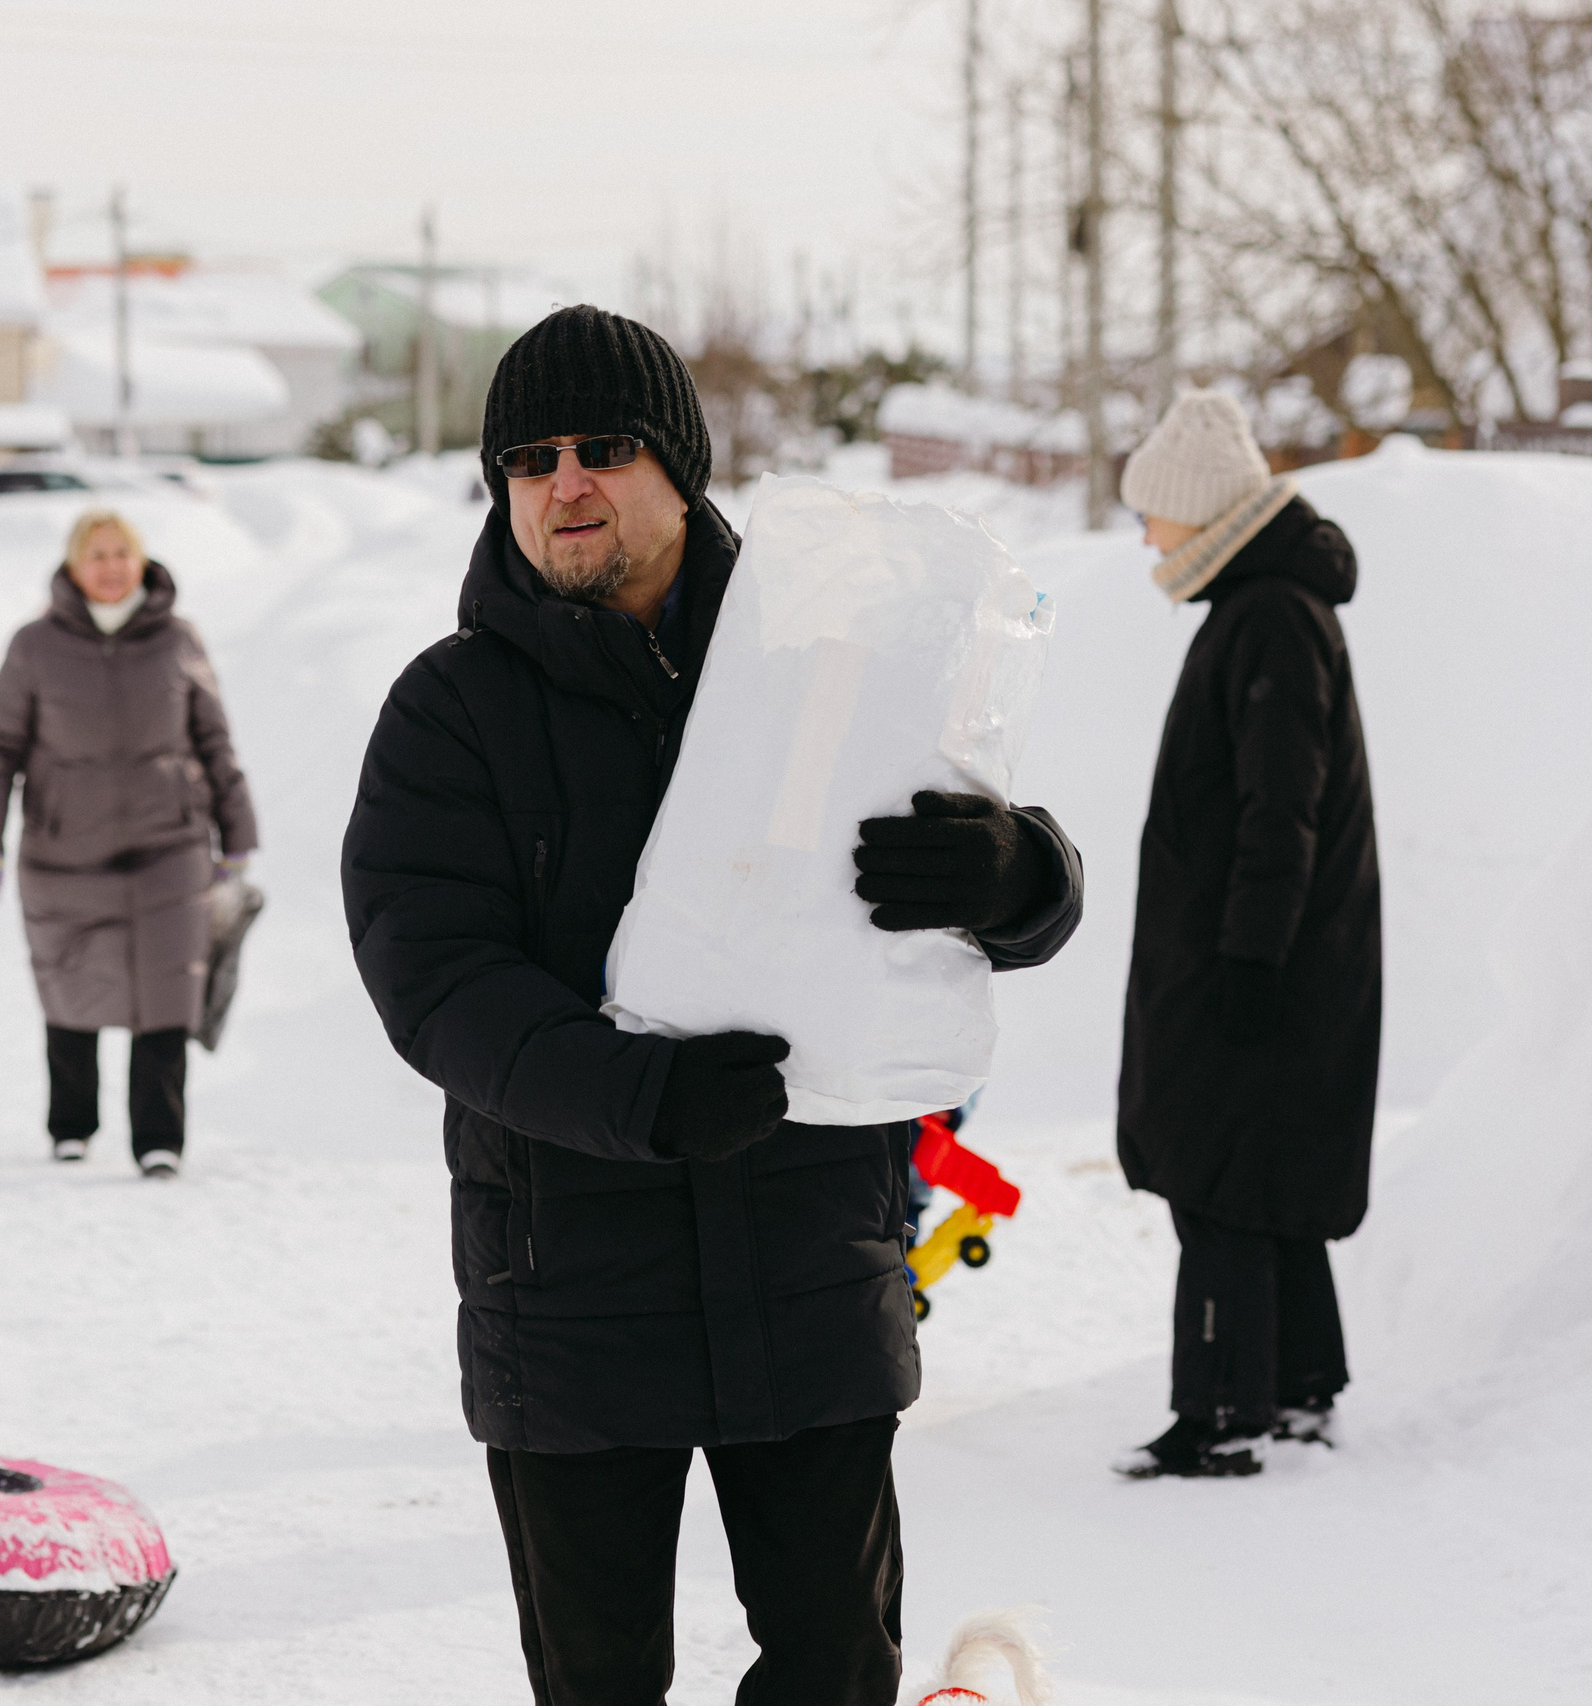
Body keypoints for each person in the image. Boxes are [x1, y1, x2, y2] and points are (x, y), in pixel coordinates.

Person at [339, 306, 1084, 1706]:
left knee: (835, 1665)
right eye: (529, 458)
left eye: (605, 448)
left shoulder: (824, 664)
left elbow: (996, 882)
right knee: (600, 1681)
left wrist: (1014, 869)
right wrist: (638, 1092)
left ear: (678, 466)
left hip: (810, 1252)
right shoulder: (453, 712)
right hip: (569, 1283)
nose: (566, 484)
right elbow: (432, 973)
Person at [1110, 390, 1382, 1481]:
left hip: (1258, 960)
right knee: (1263, 1168)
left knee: (1217, 1174)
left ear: (1198, 510)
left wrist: (1249, 959)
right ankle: (1300, 1385)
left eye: (1151, 513)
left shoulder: (1269, 613)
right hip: (1267, 954)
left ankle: (1224, 1409)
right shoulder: (1264, 604)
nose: (1142, 536)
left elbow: (1284, 807)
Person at [0, 509, 257, 1178]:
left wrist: (237, 831)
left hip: (170, 847)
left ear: (141, 561)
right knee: (71, 989)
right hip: (64, 849)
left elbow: (214, 740)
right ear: (72, 567)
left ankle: (161, 1139)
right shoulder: (34, 646)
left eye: (120, 553)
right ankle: (72, 1126)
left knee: (167, 992)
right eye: (95, 554)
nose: (109, 566)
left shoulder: (178, 639)